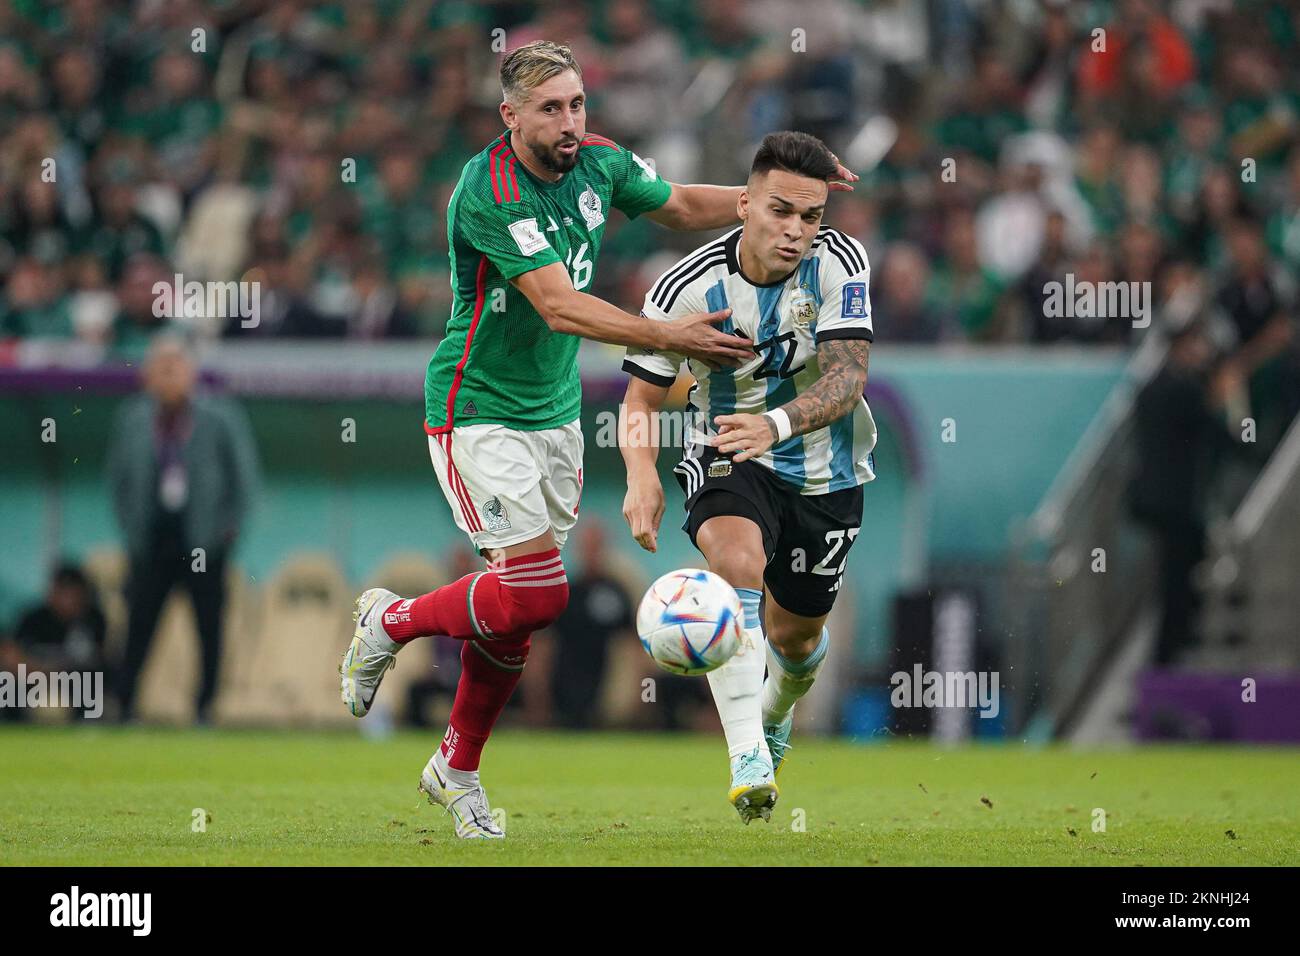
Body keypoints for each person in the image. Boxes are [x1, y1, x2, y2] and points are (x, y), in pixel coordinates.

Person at [336, 39, 860, 840]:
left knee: (514, 614)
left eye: (578, 103)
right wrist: (669, 335)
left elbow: (682, 205)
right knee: (538, 594)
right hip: (477, 409)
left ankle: (457, 768)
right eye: (551, 109)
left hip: (554, 413)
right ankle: (391, 623)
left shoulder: (602, 163)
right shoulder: (490, 191)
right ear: (509, 115)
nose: (570, 120)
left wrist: (775, 198)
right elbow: (559, 307)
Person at [619, 131, 876, 822]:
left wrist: (779, 424)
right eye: (780, 211)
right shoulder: (682, 287)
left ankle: (774, 714)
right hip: (727, 448)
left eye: (811, 216)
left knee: (795, 642)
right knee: (737, 562)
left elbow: (849, 379)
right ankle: (746, 757)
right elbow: (642, 399)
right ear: (744, 204)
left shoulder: (841, 262)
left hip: (827, 467)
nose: (796, 231)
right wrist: (640, 474)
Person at [108, 334, 260, 723]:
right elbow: (118, 481)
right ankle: (124, 705)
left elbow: (243, 481)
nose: (169, 373)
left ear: (191, 372)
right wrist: (132, 533)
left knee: (208, 627)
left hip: (203, 542)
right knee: (139, 624)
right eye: (161, 366)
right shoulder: (133, 419)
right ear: (147, 374)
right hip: (153, 539)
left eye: (176, 365)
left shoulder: (221, 417)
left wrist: (227, 534)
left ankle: (205, 707)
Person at [548, 520, 635, 729]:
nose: (592, 552)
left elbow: (630, 638)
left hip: (608, 671)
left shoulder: (617, 591)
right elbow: (546, 640)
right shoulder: (565, 591)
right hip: (567, 670)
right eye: (587, 546)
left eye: (596, 546)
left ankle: (622, 718)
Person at [2, 563, 109, 722]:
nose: (68, 599)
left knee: (89, 683)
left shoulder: (93, 620)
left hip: (73, 685)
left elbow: (97, 661)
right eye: (63, 592)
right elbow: (11, 656)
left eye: (73, 592)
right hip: (32, 682)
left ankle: (87, 725)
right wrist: (42, 672)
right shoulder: (33, 619)